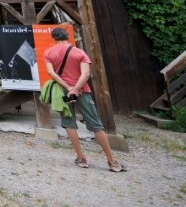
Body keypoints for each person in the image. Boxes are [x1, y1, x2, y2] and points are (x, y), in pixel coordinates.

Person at [44, 27, 127, 172]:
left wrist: (68, 87)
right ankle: (112, 161)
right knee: (96, 124)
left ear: (54, 38)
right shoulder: (79, 52)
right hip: (82, 91)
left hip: (63, 92)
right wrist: (76, 88)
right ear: (67, 36)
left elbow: (51, 72)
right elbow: (86, 74)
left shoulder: (49, 52)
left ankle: (81, 158)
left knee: (69, 123)